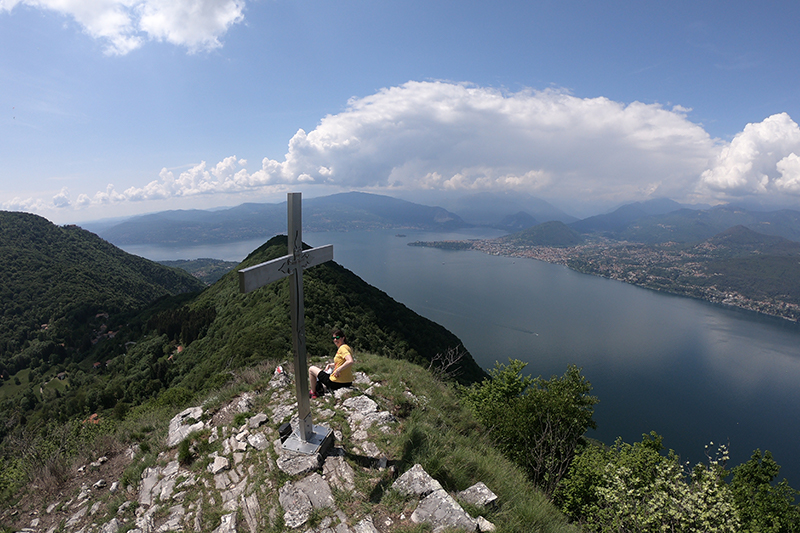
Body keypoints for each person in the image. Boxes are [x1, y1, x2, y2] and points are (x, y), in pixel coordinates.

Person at [308, 329, 354, 398]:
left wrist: (338, 370)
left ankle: (313, 392)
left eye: (337, 337)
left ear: (343, 338)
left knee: (311, 369)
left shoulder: (342, 348)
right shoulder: (347, 347)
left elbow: (350, 361)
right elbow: (342, 362)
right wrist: (331, 365)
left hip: (336, 382)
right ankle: (322, 389)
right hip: (347, 382)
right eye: (333, 338)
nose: (335, 340)